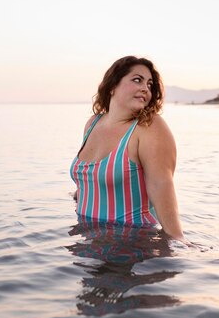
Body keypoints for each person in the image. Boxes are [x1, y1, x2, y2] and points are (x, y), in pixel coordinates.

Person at [70, 56, 184, 240]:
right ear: (113, 85)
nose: (145, 88)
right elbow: (92, 178)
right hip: (87, 236)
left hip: (130, 242)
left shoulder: (149, 127)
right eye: (137, 80)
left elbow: (161, 184)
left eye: (149, 84)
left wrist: (177, 239)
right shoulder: (93, 123)